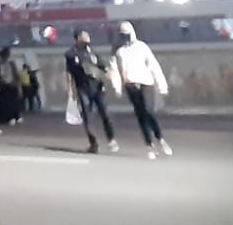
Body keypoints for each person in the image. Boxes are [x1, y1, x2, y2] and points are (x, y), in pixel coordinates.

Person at [111, 22, 170, 159]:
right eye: (122, 34)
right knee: (140, 115)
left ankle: (160, 138)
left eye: (126, 34)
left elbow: (154, 66)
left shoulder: (142, 47)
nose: (124, 37)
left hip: (146, 83)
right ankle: (149, 144)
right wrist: (117, 87)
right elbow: (116, 70)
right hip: (131, 85)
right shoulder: (120, 52)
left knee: (148, 111)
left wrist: (162, 85)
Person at [65, 29, 119, 154]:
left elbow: (103, 66)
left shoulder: (93, 52)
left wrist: (109, 72)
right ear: (78, 38)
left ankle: (111, 139)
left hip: (98, 87)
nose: (88, 37)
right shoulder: (71, 54)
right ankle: (93, 143)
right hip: (83, 88)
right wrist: (70, 89)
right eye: (85, 35)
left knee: (105, 113)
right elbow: (69, 72)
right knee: (87, 117)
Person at [0, 47, 22, 126]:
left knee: (6, 103)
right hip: (11, 85)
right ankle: (14, 117)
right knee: (12, 102)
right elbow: (17, 76)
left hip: (5, 86)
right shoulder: (11, 63)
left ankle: (9, 118)